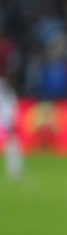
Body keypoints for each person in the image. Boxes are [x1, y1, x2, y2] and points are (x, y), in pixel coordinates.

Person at [0, 33, 23, 180]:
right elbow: (10, 70)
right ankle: (14, 171)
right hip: (4, 90)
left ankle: (14, 170)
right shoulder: (5, 47)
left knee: (11, 133)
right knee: (11, 132)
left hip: (4, 89)